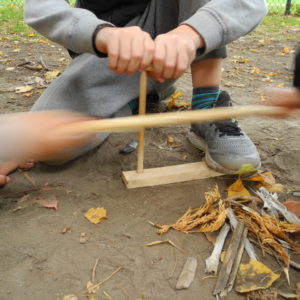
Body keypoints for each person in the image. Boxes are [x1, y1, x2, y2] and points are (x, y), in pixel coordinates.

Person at [0, 0, 267, 186]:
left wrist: (190, 34)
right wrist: (102, 34)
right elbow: (41, 7)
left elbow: (249, 4)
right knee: (53, 139)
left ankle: (207, 105)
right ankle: (136, 98)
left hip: (174, 38)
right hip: (107, 50)